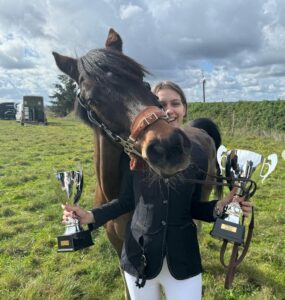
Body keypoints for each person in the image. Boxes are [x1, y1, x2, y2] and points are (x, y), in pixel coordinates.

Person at [62, 80, 252, 300]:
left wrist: (222, 208)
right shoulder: (132, 155)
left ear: (185, 109)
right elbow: (125, 202)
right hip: (138, 261)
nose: (169, 110)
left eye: (176, 103)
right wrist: (91, 216)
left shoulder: (198, 154)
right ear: (150, 108)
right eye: (162, 104)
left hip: (183, 262)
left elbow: (194, 208)